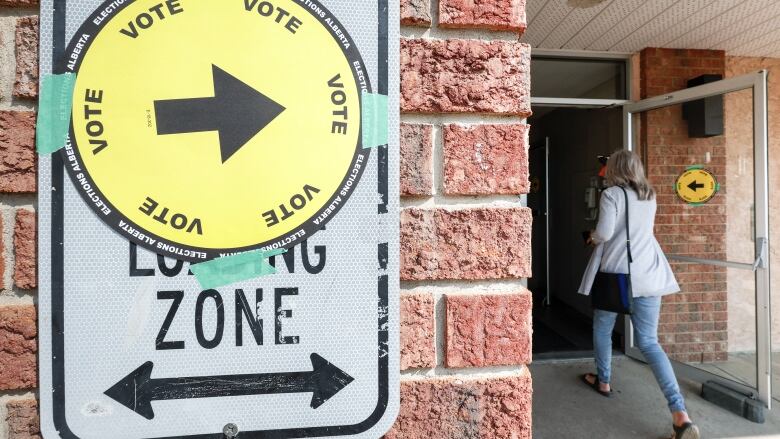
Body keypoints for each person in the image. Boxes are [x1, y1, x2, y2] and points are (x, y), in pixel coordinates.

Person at [578, 150, 700, 439]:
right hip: (649, 274)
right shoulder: (649, 195)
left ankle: (604, 381)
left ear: (615, 169)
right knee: (649, 342)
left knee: (603, 327)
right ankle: (679, 413)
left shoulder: (612, 195)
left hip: (616, 274)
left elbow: (605, 234)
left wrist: (590, 236)